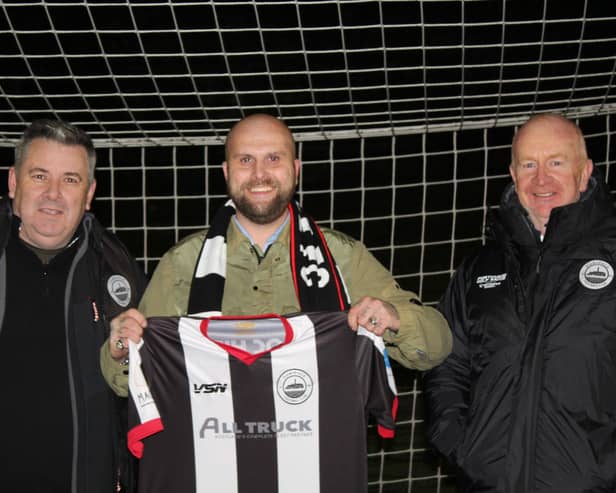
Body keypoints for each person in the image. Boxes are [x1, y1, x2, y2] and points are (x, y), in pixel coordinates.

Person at [103, 113, 452, 396]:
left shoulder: (341, 257)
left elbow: (437, 346)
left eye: (273, 158)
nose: (259, 174)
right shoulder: (183, 263)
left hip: (319, 457)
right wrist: (120, 347)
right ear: (226, 173)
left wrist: (393, 318)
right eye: (245, 160)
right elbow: (123, 380)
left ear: (296, 169)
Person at [423, 113, 616, 492]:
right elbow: (446, 361)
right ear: (513, 174)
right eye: (529, 164)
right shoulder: (480, 267)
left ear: (585, 171)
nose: (541, 179)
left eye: (556, 163)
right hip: (489, 482)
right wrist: (459, 444)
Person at [0, 119, 146, 493]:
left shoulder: (117, 270)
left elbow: (146, 389)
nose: (53, 194)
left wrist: (125, 355)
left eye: (70, 179)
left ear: (89, 192)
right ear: (14, 182)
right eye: (39, 176)